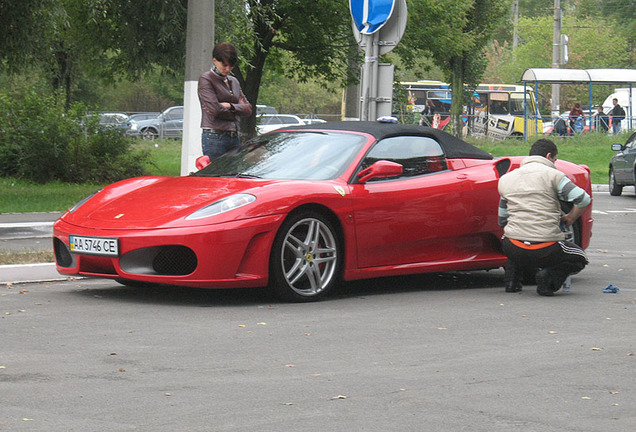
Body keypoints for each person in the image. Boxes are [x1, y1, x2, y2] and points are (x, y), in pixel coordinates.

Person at [497, 139, 591, 296]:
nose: (555, 163)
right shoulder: (554, 176)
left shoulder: (506, 179)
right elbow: (583, 199)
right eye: (555, 159)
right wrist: (570, 217)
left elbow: (502, 220)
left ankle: (511, 281)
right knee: (580, 257)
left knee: (515, 236)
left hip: (512, 247)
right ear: (549, 156)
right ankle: (548, 280)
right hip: (545, 248)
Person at [198, 42, 252, 161]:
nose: (228, 69)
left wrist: (229, 106)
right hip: (214, 137)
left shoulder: (234, 81)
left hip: (234, 136)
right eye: (224, 65)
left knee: (234, 176)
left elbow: (248, 109)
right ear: (215, 60)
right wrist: (238, 111)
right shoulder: (206, 79)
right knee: (216, 177)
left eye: (231, 66)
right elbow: (215, 110)